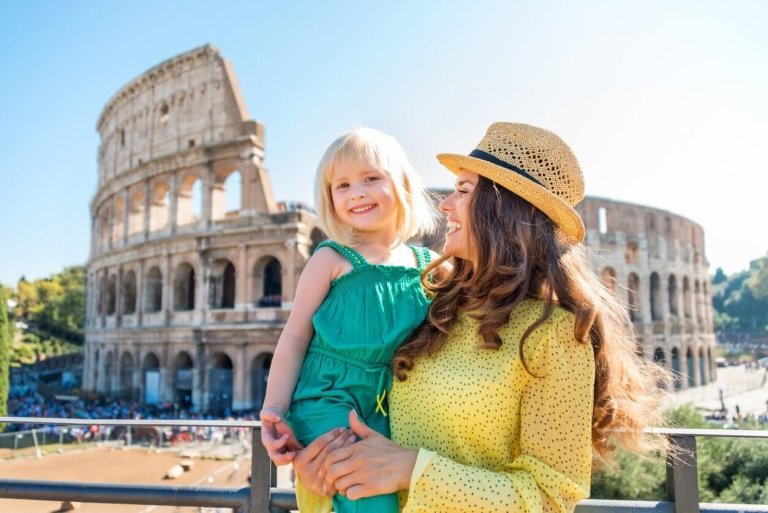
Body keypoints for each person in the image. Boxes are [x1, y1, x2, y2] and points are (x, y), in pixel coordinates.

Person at [293, 122, 669, 513]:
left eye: (463, 191)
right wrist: (321, 459)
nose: (445, 204)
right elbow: (355, 388)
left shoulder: (556, 335)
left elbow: (551, 499)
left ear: (502, 208)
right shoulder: (434, 303)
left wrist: (412, 471)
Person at [259, 127, 438, 513]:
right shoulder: (331, 258)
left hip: (387, 401)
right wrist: (273, 411)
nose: (356, 192)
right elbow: (294, 337)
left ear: (402, 184)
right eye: (342, 185)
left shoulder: (428, 267)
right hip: (328, 395)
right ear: (329, 198)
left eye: (370, 178)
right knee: (372, 497)